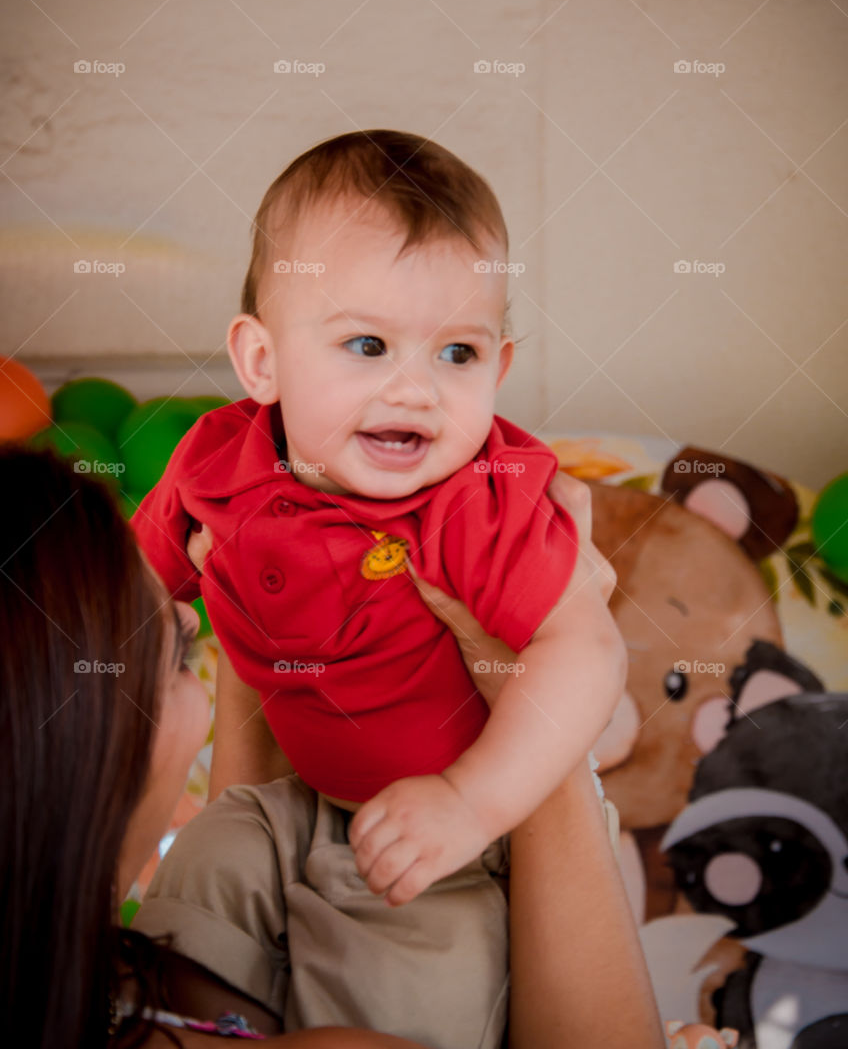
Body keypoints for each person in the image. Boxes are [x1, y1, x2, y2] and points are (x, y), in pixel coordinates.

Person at [130, 129, 628, 939]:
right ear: (262, 362)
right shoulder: (218, 461)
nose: (415, 390)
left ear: (499, 371)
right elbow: (125, 592)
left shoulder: (480, 499)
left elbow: (588, 650)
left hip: (463, 843)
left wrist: (471, 801)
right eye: (367, 345)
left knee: (402, 989)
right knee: (189, 901)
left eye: (456, 353)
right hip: (288, 804)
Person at [0, 443, 663, 1047]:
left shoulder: (107, 982)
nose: (182, 610)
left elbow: (252, 818)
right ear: (73, 751)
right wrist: (541, 699)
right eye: (173, 650)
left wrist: (257, 608)